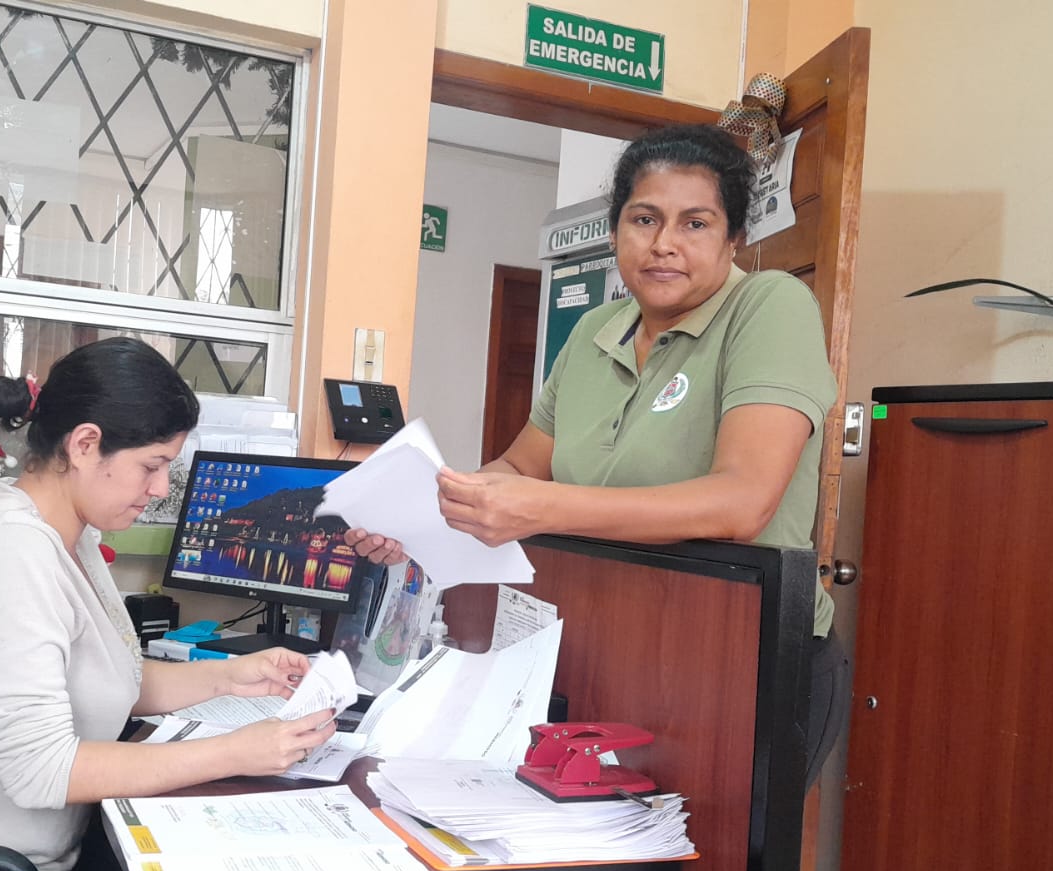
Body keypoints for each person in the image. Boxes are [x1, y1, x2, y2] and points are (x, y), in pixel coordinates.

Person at [348, 124, 848, 785]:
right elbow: (519, 468)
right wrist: (423, 516)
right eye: (644, 219)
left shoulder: (770, 306)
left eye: (695, 223)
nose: (664, 243)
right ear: (615, 232)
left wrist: (541, 507)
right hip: (612, 647)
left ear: (734, 239)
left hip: (743, 657)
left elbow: (742, 501)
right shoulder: (593, 330)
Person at [0, 337, 337, 871]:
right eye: (152, 466)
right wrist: (237, 752)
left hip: (27, 860)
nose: (159, 489)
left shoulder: (69, 537)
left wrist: (231, 677)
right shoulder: (13, 554)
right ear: (84, 445)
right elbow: (42, 771)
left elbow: (105, 677)